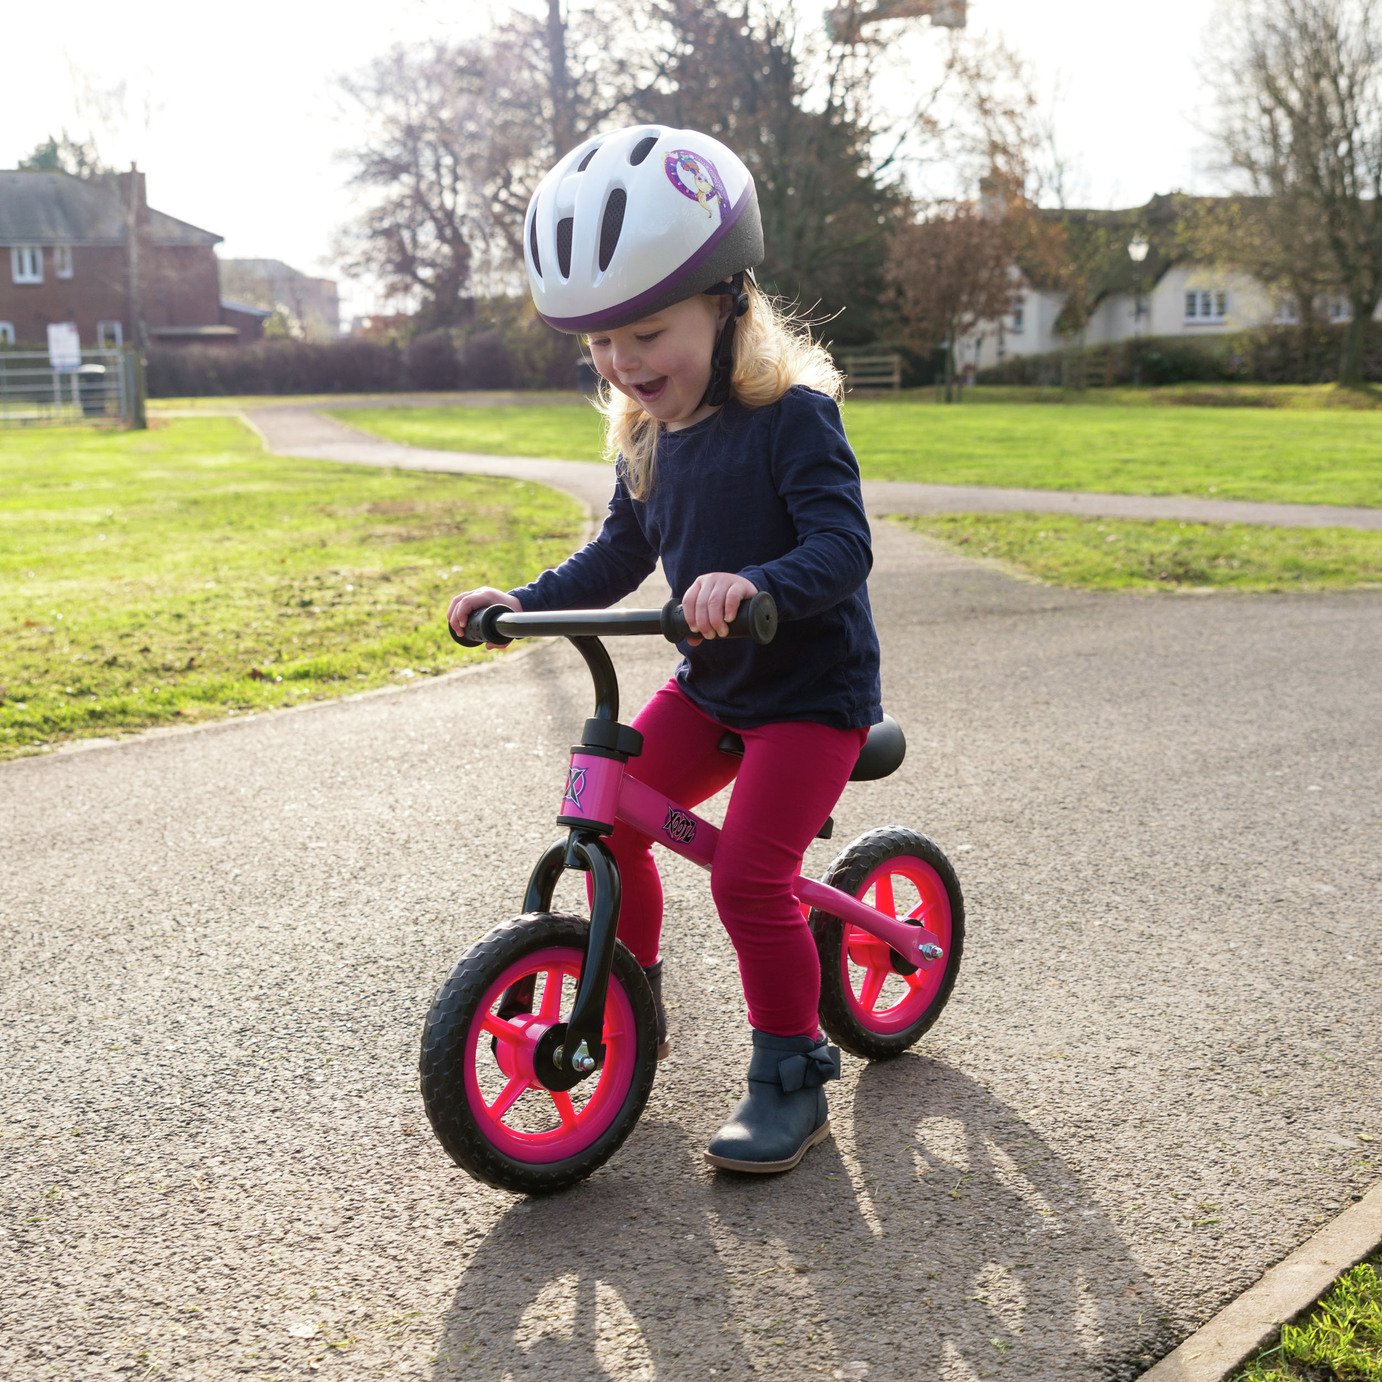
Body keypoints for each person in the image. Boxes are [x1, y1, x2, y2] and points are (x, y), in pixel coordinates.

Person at [447, 124, 883, 1175]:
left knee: (745, 878)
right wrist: (522, 600)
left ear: (726, 304)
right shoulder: (648, 438)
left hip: (809, 695)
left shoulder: (793, 419)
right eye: (600, 344)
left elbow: (841, 544)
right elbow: (617, 555)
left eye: (645, 331)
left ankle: (788, 1066)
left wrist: (758, 584)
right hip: (716, 684)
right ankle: (627, 999)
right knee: (613, 817)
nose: (622, 364)